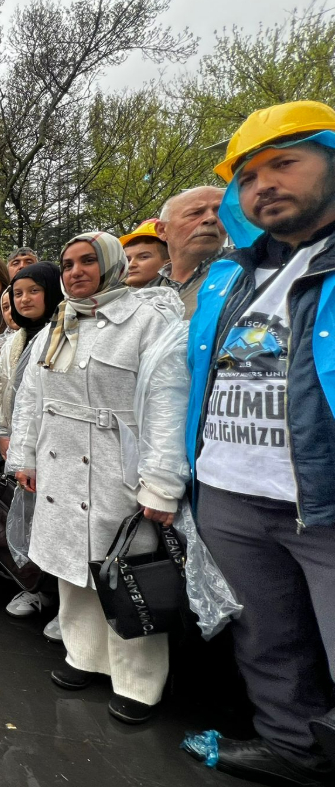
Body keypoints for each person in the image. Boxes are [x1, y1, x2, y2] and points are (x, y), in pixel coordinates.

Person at [183, 101, 335, 786]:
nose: (264, 185)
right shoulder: (233, 277)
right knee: (266, 637)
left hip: (321, 498)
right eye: (247, 177)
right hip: (230, 490)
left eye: (285, 164)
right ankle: (290, 747)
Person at [9, 231, 188, 726]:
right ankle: (83, 654)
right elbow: (30, 397)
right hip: (60, 463)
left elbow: (167, 402)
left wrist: (161, 483)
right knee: (73, 568)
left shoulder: (147, 319)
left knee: (127, 573)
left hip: (118, 466)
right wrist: (25, 457)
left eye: (88, 261)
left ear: (111, 264)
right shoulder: (58, 324)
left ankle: (138, 681)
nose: (76, 272)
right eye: (67, 264)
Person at [0, 262, 64, 624]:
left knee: (58, 526)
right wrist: (2, 434)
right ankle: (37, 589)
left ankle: (64, 601)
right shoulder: (14, 341)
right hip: (17, 448)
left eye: (34, 291)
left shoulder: (64, 332)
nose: (24, 300)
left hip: (57, 447)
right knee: (26, 523)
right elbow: (1, 391)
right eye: (17, 293)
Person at [154, 185, 227, 320]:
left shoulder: (247, 276)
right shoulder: (145, 291)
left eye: (221, 213)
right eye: (195, 213)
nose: (211, 218)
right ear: (162, 230)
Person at [120, 220, 171, 289]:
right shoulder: (112, 294)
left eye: (144, 257)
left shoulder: (178, 293)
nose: (130, 265)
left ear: (168, 264)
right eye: (127, 260)